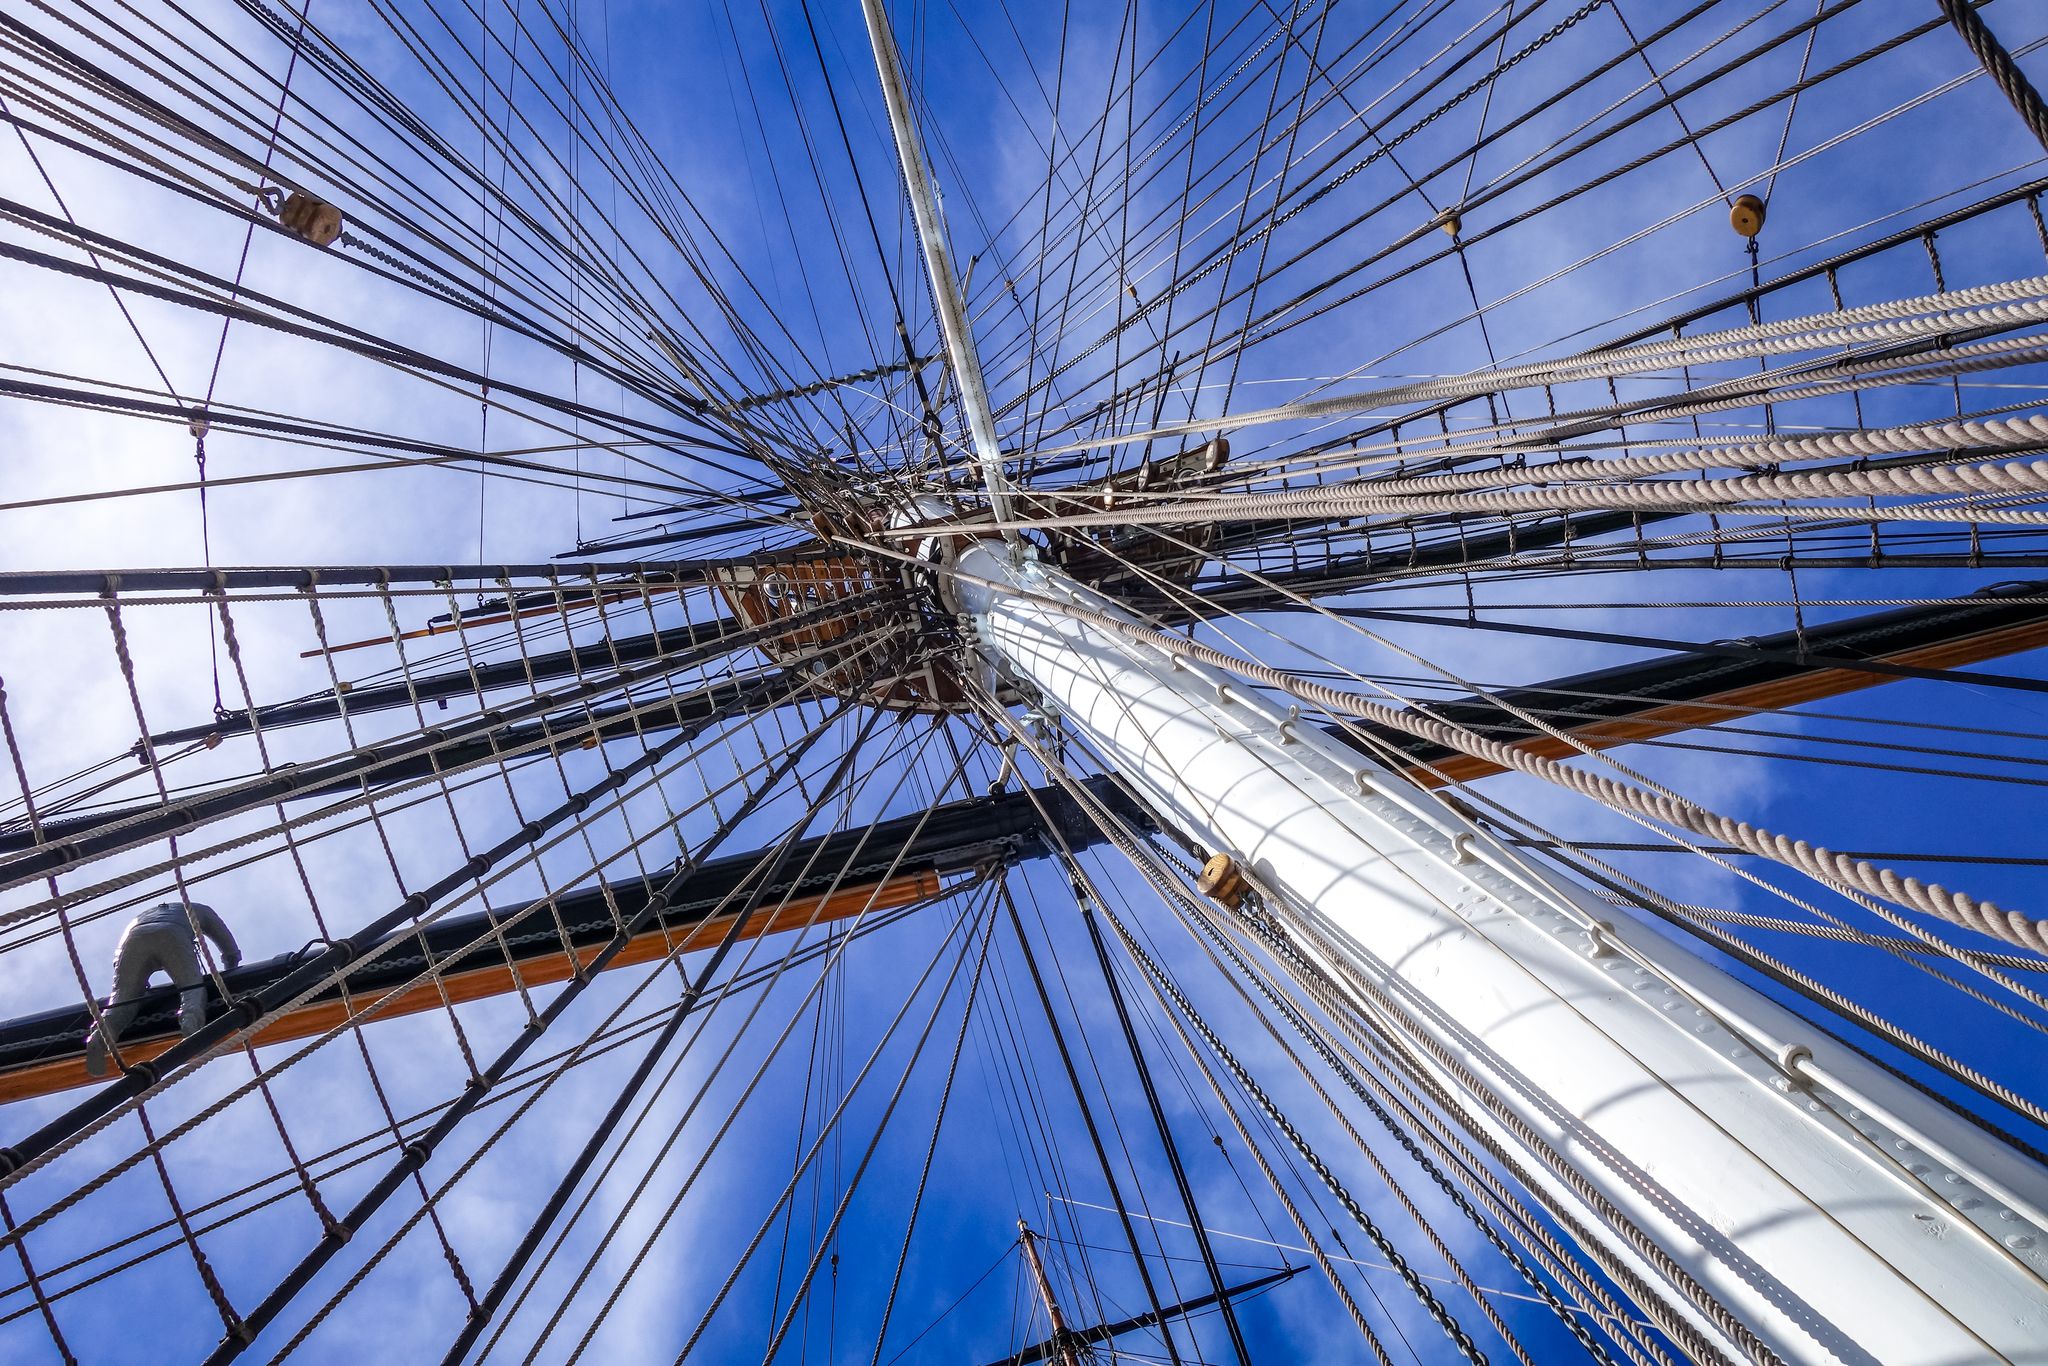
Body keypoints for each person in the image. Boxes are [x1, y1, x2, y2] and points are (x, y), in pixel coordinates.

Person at [83, 900, 242, 1077]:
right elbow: (223, 936)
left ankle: (100, 1035)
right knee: (192, 987)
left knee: (122, 1001)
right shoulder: (197, 908)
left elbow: (118, 958)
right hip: (172, 932)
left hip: (135, 938)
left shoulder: (139, 918)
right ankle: (191, 1023)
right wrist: (231, 965)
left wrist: (135, 985)